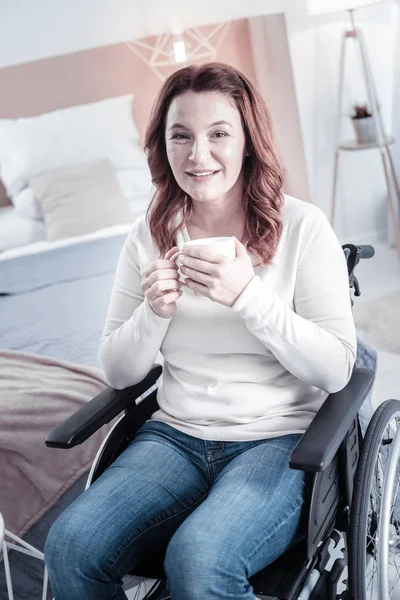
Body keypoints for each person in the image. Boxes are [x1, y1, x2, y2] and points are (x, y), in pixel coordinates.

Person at [44, 62, 357, 600]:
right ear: (161, 146)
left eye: (218, 134)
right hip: (176, 437)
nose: (198, 155)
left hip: (275, 438)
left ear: (248, 142)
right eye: (180, 136)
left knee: (200, 558)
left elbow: (336, 368)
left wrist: (247, 297)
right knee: (70, 545)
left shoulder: (303, 227)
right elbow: (119, 370)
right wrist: (154, 312)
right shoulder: (151, 232)